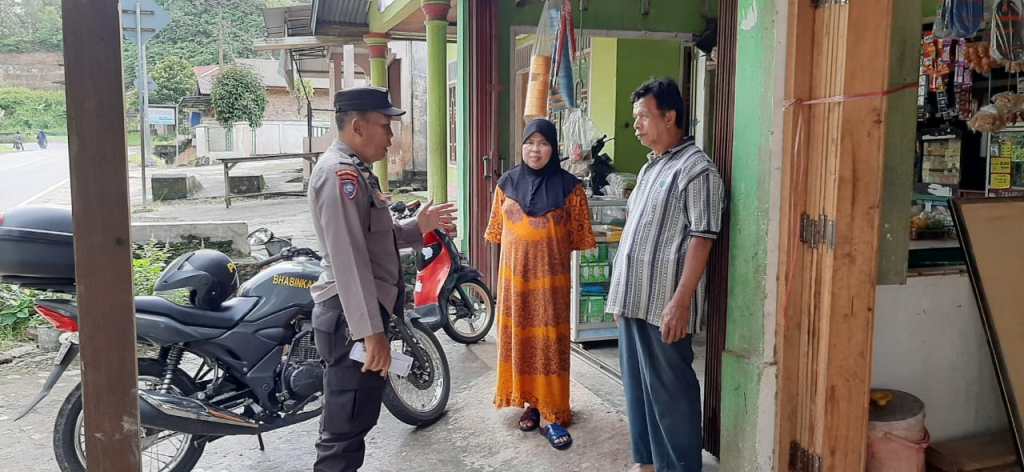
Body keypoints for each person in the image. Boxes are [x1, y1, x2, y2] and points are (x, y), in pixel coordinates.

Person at [307, 86, 456, 471]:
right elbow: (349, 260)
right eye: (386, 126)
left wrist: (417, 226)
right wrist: (369, 332)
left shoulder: (356, 171)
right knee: (342, 436)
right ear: (358, 126)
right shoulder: (340, 176)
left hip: (360, 315)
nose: (392, 137)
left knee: (355, 423)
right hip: (350, 318)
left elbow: (374, 237)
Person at [605, 78, 724, 472]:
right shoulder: (651, 167)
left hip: (664, 305)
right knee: (639, 392)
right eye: (635, 116)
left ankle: (679, 466)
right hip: (635, 300)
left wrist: (681, 300)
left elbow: (702, 238)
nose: (636, 124)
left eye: (643, 116)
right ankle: (648, 464)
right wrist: (619, 297)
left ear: (670, 116)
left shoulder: (697, 170)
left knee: (671, 395)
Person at [485, 118, 596, 450]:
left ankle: (553, 414)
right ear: (522, 146)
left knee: (548, 346)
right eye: (529, 143)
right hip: (514, 285)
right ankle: (531, 404)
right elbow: (497, 233)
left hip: (551, 286)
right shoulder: (506, 184)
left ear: (554, 148)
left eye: (543, 143)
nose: (536, 150)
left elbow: (579, 237)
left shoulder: (571, 188)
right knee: (522, 342)